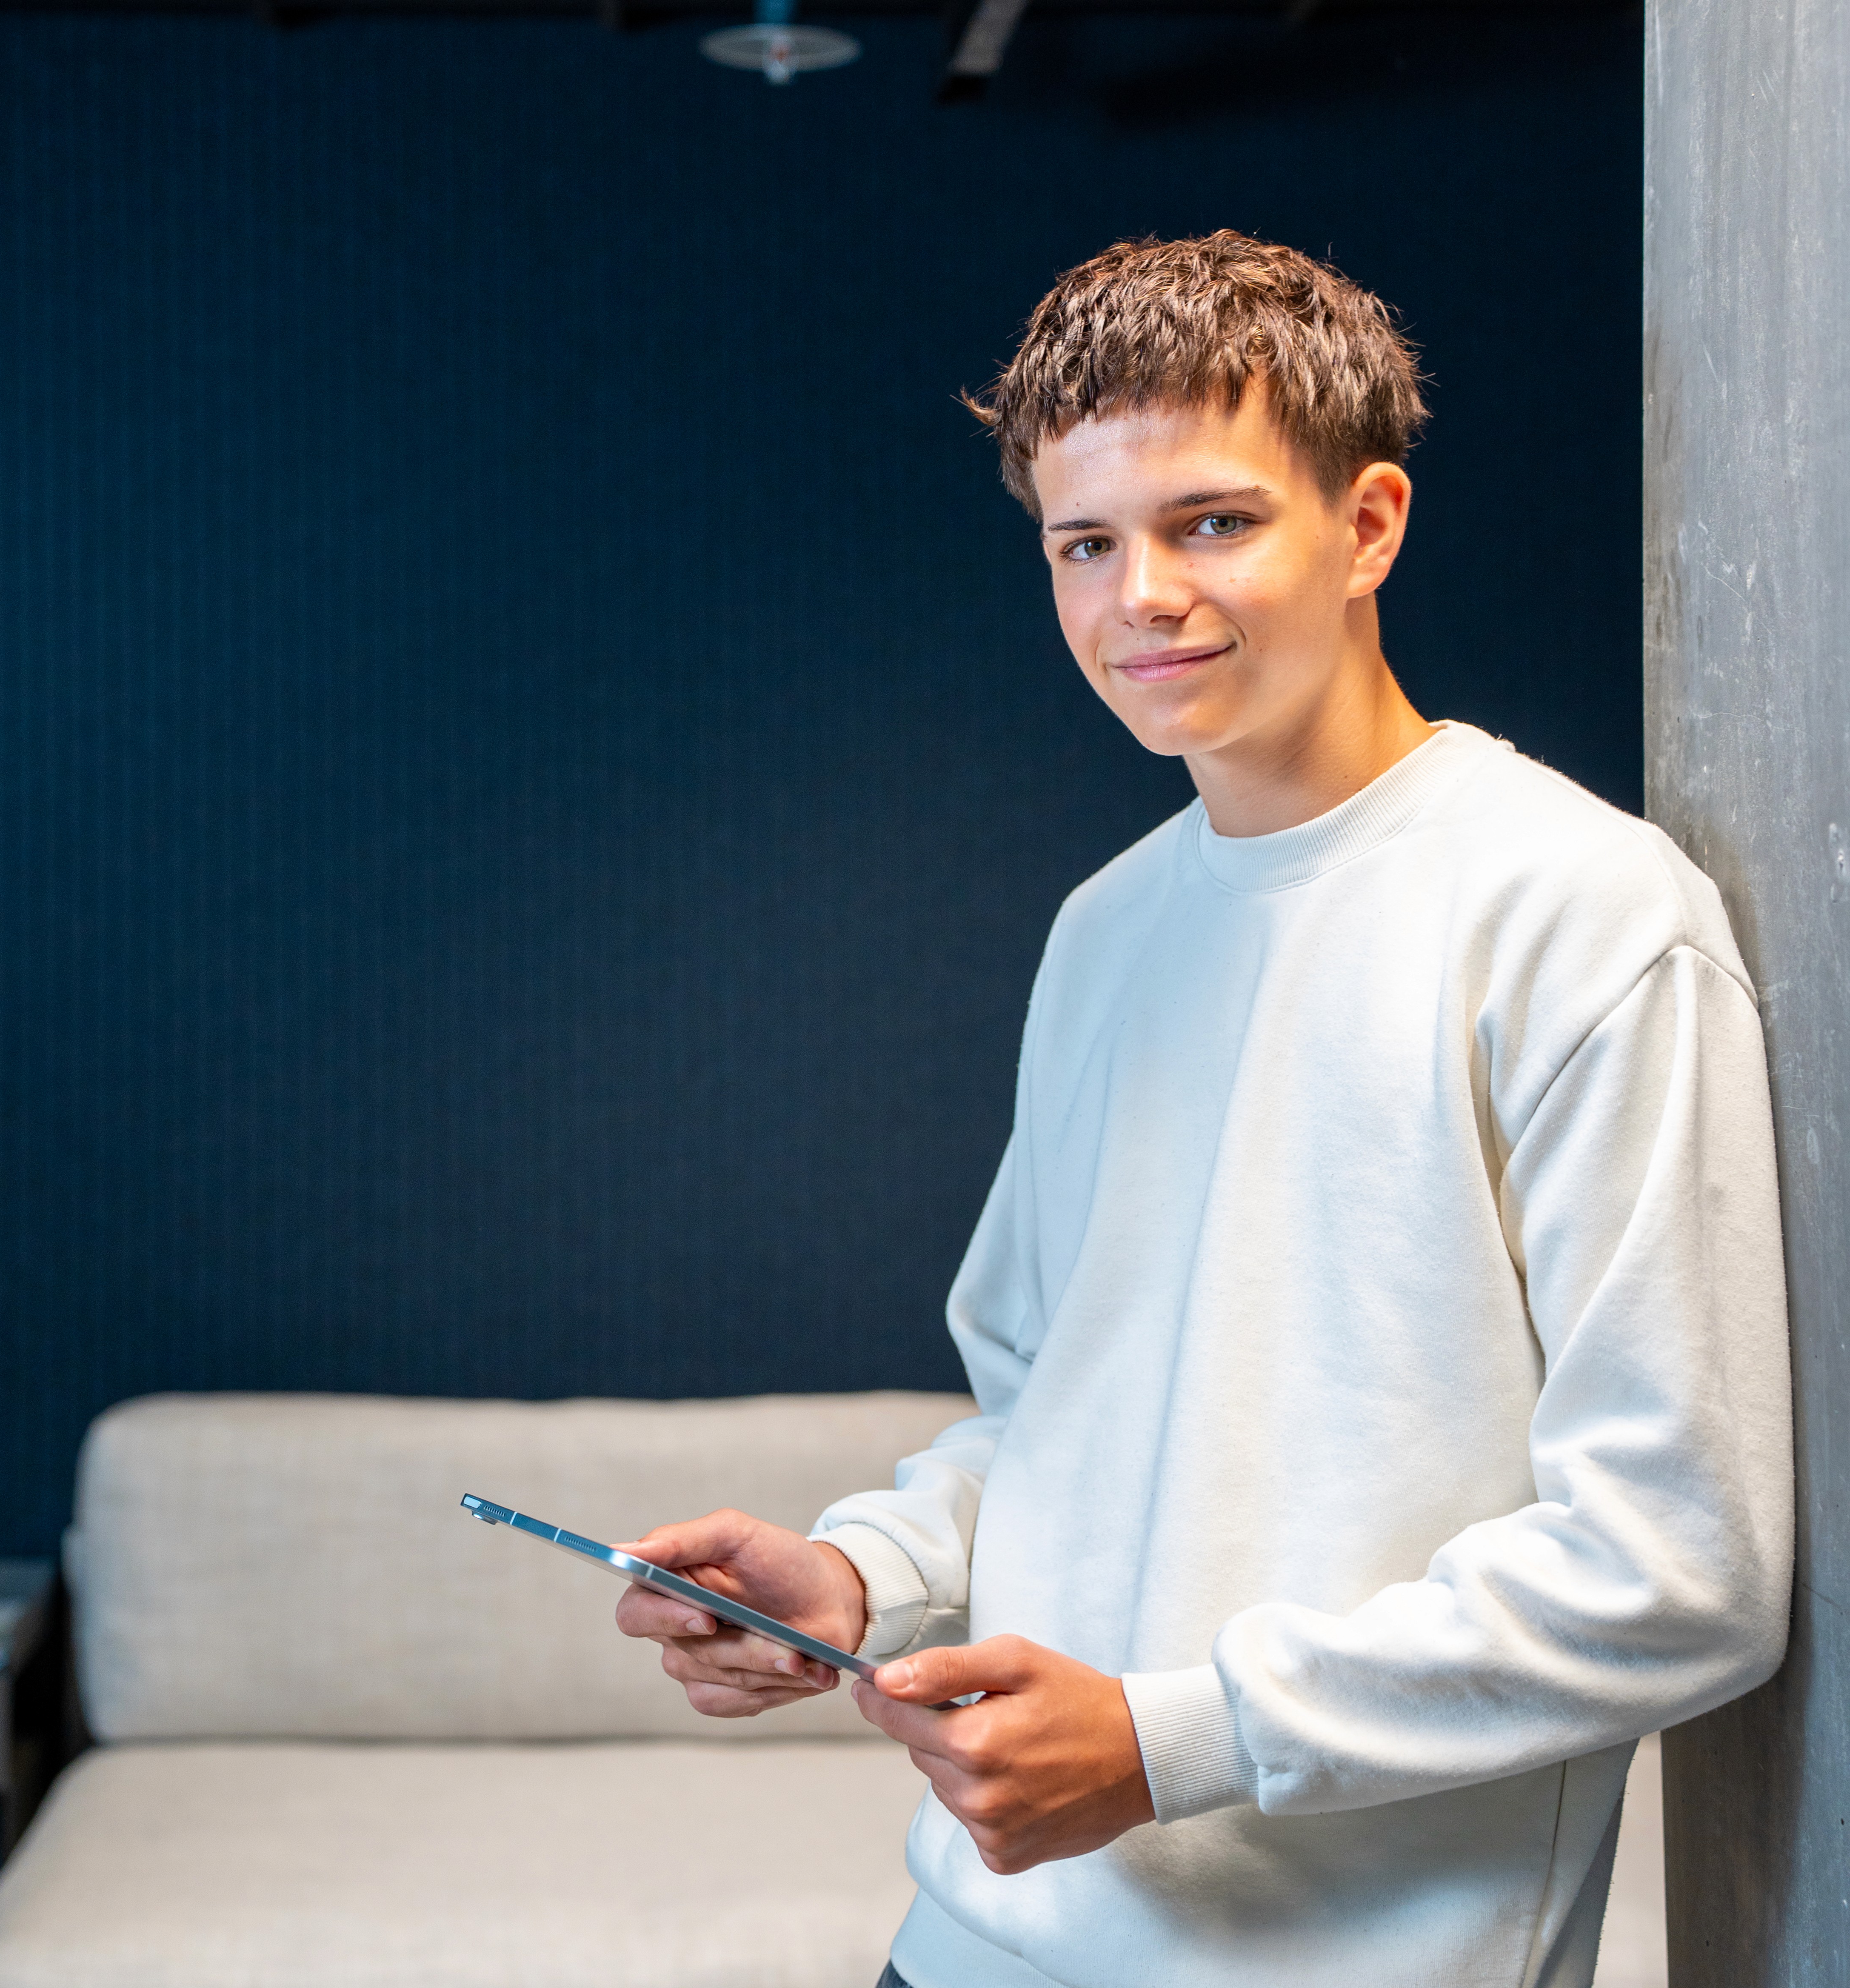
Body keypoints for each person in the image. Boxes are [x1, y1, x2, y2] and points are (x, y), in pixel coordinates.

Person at [613, 232, 1792, 1988]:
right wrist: (863, 1577)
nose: (1138, 598)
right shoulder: (1106, 930)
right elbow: (1053, 1419)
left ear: (1368, 525)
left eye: (1213, 522)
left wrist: (1173, 1738)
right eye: (1084, 544)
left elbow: (1679, 1568)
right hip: (968, 1943)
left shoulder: (1582, 917)